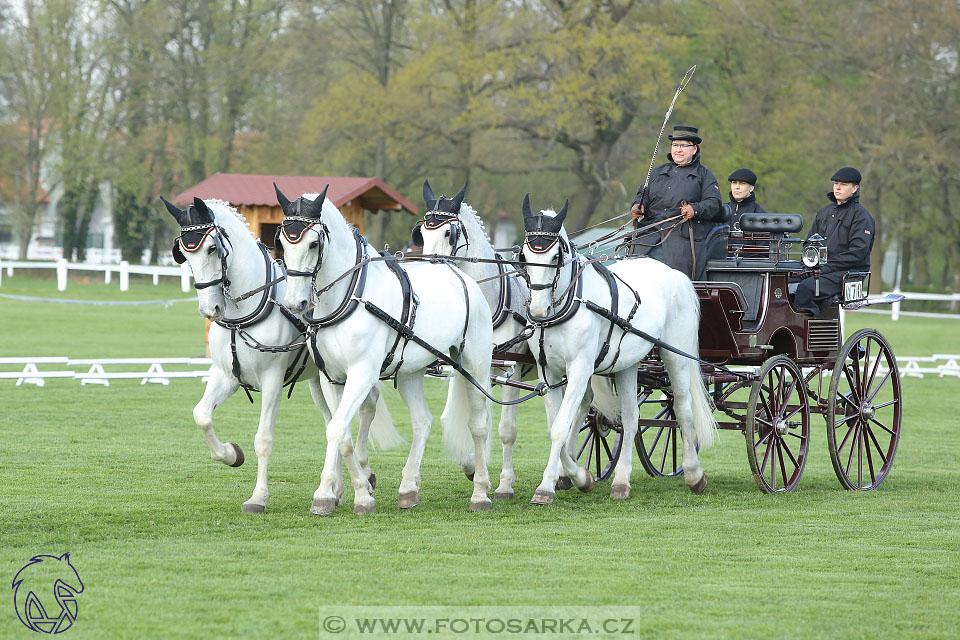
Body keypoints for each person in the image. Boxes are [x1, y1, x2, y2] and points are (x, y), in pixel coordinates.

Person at [630, 125, 724, 279]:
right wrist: (639, 205)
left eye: (683, 146)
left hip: (681, 236)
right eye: (675, 145)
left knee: (661, 272)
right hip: (649, 233)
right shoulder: (657, 172)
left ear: (694, 149)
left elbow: (714, 203)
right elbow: (643, 194)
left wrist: (695, 209)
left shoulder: (704, 175)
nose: (678, 149)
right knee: (629, 268)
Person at [793, 166, 875, 316]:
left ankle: (809, 330)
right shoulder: (823, 213)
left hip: (847, 274)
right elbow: (809, 244)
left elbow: (857, 252)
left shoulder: (861, 217)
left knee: (807, 288)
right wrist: (807, 265)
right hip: (821, 272)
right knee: (786, 281)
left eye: (843, 185)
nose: (837, 188)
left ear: (854, 188)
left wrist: (824, 268)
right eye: (836, 183)